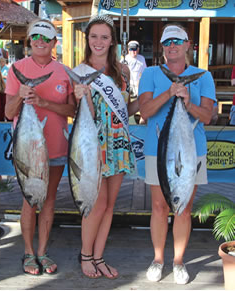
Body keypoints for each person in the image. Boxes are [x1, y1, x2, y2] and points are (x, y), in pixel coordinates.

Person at [138, 24, 216, 285]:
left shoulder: (203, 76)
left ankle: (179, 262)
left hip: (192, 151)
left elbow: (207, 116)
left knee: (183, 208)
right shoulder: (150, 73)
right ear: (162, 47)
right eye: (167, 42)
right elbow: (145, 112)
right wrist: (170, 93)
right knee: (159, 207)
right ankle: (158, 259)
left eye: (177, 41)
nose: (172, 46)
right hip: (157, 151)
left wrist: (187, 103)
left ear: (187, 45)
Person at [5, 19, 76, 276]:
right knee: (29, 200)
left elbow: (71, 110)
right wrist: (21, 96)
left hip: (56, 147)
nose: (40, 42)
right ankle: (27, 251)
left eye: (46, 38)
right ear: (30, 40)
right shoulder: (16, 69)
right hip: (26, 149)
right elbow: (8, 112)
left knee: (49, 200)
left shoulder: (64, 71)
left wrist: (43, 102)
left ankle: (43, 251)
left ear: (54, 43)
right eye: (36, 37)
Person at [72, 14, 138, 279]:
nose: (99, 42)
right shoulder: (79, 71)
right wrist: (81, 98)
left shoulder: (122, 71)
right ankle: (86, 255)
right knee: (95, 204)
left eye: (104, 37)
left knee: (110, 205)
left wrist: (145, 101)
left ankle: (98, 257)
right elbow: (81, 116)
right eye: (94, 36)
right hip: (92, 144)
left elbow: (127, 109)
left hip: (119, 141)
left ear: (112, 42)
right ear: (87, 40)